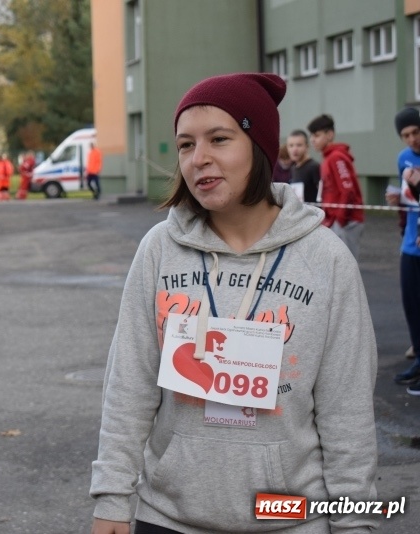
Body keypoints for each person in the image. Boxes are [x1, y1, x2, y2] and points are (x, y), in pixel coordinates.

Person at [90, 73, 378, 533]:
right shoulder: (160, 249)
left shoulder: (325, 259)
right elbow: (130, 385)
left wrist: (355, 521)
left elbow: (348, 413)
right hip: (167, 518)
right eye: (186, 145)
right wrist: (111, 497)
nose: (198, 159)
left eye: (219, 139)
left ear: (259, 146)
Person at [387, 107, 420, 393]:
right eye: (405, 135)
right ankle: (419, 360)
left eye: (415, 132)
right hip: (410, 243)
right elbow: (410, 199)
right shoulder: (403, 158)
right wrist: (397, 199)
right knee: (412, 305)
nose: (411, 140)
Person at [307, 113, 365, 260]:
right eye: (311, 135)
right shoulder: (327, 158)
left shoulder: (336, 157)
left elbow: (347, 190)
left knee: (346, 268)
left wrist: (340, 219)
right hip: (335, 221)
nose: (312, 139)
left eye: (317, 135)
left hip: (346, 222)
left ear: (330, 135)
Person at [286, 129, 321, 203]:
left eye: (299, 145)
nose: (294, 149)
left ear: (307, 147)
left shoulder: (314, 167)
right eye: (291, 145)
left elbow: (321, 194)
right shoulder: (293, 168)